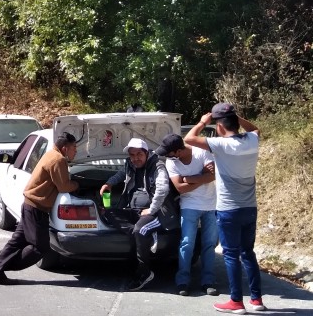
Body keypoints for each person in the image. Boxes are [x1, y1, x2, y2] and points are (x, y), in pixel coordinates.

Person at [185, 103, 264, 314]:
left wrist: (203, 122)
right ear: (236, 122)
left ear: (219, 126)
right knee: (248, 252)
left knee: (230, 255)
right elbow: (255, 129)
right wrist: (236, 117)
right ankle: (256, 300)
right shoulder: (251, 140)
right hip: (250, 207)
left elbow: (188, 139)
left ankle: (236, 302)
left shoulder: (220, 144)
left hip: (229, 209)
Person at [0, 132, 78, 284]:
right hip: (37, 208)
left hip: (29, 205)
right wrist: (78, 184)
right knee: (39, 248)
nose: (76, 151)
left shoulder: (51, 154)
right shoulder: (58, 160)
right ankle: (2, 265)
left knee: (17, 241)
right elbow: (64, 186)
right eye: (74, 147)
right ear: (64, 148)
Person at [99, 138, 176, 291]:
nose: (135, 158)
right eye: (132, 155)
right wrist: (108, 183)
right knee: (107, 213)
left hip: (156, 213)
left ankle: (144, 272)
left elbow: (162, 189)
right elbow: (120, 175)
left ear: (146, 153)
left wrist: (152, 209)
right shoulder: (130, 164)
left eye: (139, 154)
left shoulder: (158, 165)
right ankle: (145, 235)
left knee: (140, 230)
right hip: (133, 210)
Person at [155, 133, 218, 296]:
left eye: (168, 153)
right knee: (187, 243)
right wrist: (201, 177)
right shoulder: (171, 162)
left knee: (209, 244)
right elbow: (180, 188)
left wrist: (189, 178)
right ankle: (182, 281)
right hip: (189, 205)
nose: (166, 156)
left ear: (178, 151)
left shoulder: (201, 152)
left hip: (211, 204)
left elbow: (213, 176)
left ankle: (208, 281)